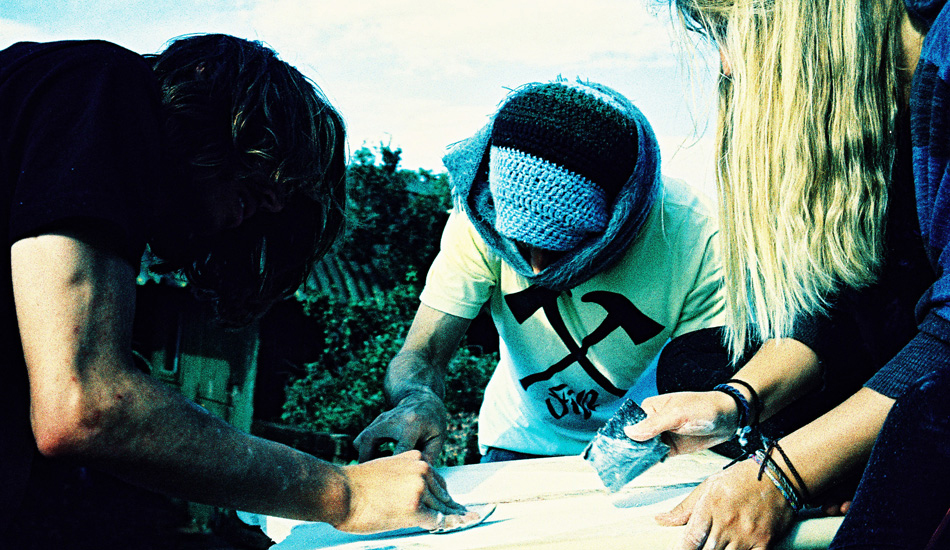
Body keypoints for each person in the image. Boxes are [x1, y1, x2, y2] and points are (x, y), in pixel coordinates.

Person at [0, 34, 475, 548]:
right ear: (225, 118)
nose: (269, 207)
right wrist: (344, 495)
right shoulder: (100, 85)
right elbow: (87, 407)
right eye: (261, 189)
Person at [621, 1, 950, 548]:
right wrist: (731, 404)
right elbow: (844, 306)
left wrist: (784, 476)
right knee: (694, 366)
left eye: (728, 27)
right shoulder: (884, 108)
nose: (726, 64)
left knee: (922, 427)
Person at [354, 79, 726, 464]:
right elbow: (424, 352)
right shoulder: (482, 219)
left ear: (621, 217)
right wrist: (418, 399)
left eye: (560, 245)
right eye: (520, 242)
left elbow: (692, 385)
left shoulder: (699, 237)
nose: (533, 267)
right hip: (520, 438)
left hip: (650, 445)